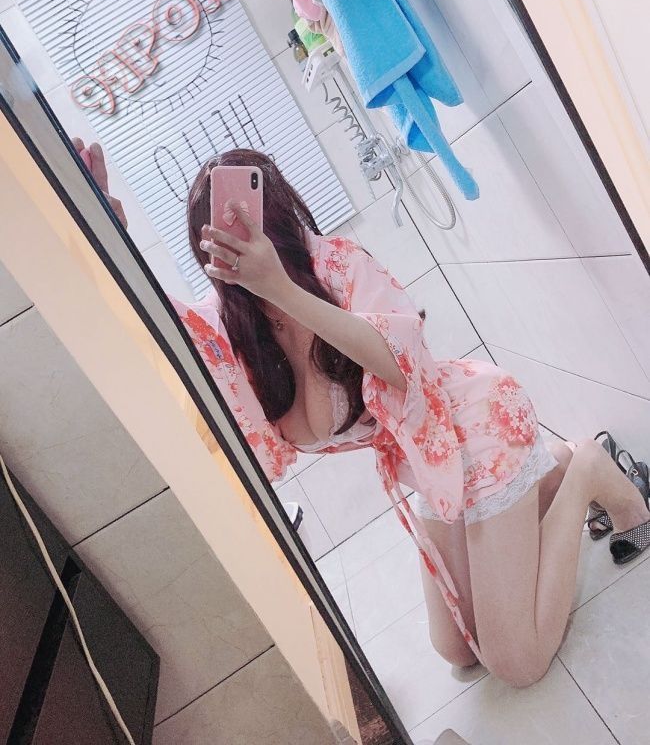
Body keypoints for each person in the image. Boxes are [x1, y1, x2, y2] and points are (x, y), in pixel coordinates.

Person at [73, 139, 650, 687]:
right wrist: (108, 237)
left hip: (476, 425)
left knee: (514, 663)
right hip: (428, 460)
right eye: (217, 235)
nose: (237, 241)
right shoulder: (227, 332)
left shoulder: (339, 268)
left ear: (279, 219)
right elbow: (156, 333)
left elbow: (401, 365)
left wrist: (280, 288)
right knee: (457, 650)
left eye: (249, 222)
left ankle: (586, 469)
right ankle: (550, 467)